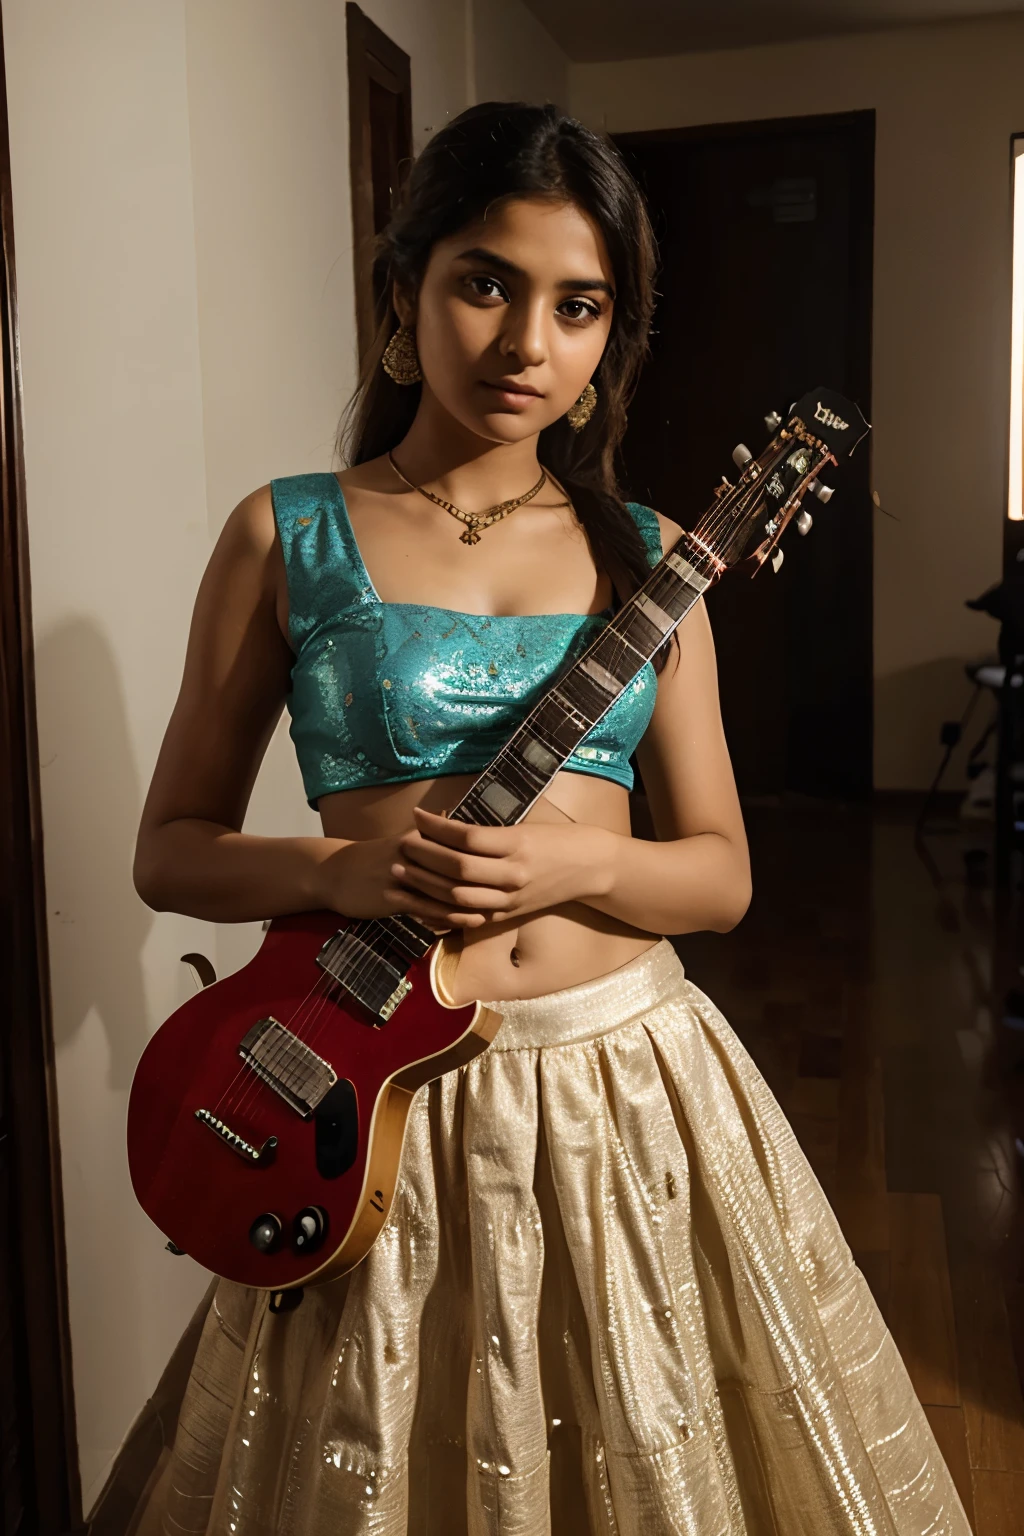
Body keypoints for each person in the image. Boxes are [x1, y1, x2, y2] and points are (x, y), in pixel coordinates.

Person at [102, 103, 969, 1535]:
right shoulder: (287, 532)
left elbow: (722, 880)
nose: (526, 345)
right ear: (405, 295)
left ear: (610, 337)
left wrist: (578, 857)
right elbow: (169, 850)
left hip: (620, 1080)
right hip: (369, 1103)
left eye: (579, 307)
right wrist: (342, 861)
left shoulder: (653, 560)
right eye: (485, 282)